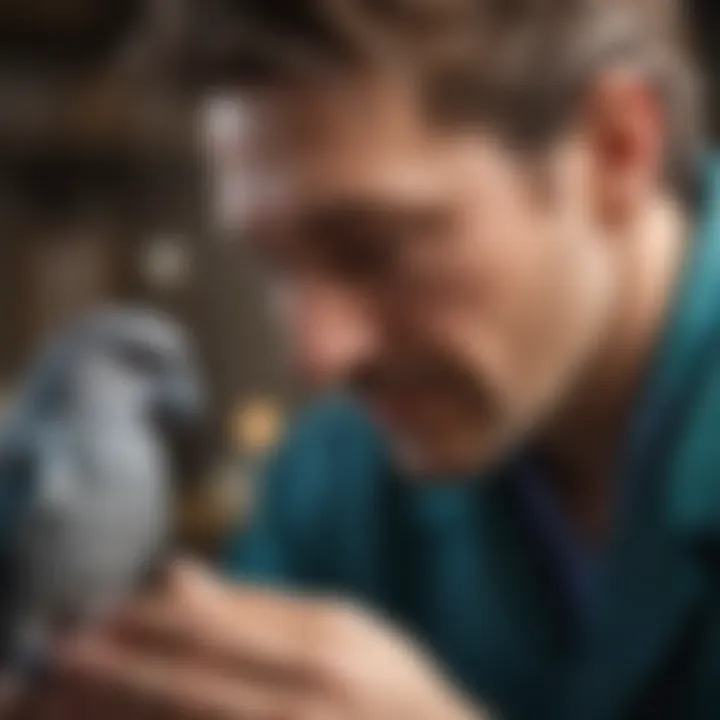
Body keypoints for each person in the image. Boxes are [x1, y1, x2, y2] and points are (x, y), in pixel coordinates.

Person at [16, 0, 720, 718]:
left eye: (375, 249)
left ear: (615, 148)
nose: (314, 357)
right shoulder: (331, 488)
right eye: (273, 267)